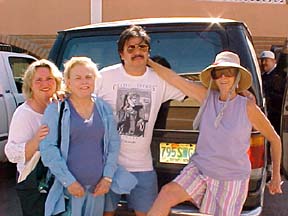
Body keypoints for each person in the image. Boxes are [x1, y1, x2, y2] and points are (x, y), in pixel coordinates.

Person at [146, 51, 282, 216]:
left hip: (231, 179)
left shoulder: (247, 107)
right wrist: (149, 62)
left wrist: (275, 176)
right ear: (213, 77)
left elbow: (275, 139)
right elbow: (175, 79)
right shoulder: (207, 97)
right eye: (218, 73)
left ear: (237, 75)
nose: (223, 77)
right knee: (167, 193)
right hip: (200, 169)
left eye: (229, 72)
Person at [94, 25, 186, 216]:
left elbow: (192, 90)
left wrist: (233, 91)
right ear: (121, 54)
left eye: (142, 47)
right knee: (105, 213)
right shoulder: (104, 77)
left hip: (142, 167)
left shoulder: (159, 80)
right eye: (131, 48)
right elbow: (78, 94)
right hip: (108, 166)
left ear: (148, 52)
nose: (137, 52)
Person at [40, 57, 137, 216]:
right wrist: (69, 182)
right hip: (68, 191)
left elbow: (113, 143)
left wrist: (107, 178)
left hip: (96, 191)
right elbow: (48, 148)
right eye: (77, 78)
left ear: (95, 80)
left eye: (88, 77)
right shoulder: (56, 108)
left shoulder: (103, 108)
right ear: (68, 82)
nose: (84, 82)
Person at [4, 59, 63, 216]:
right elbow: (11, 153)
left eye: (49, 78)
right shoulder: (24, 114)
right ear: (30, 84)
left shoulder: (62, 107)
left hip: (59, 180)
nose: (45, 83)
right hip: (34, 183)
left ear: (57, 82)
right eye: (38, 80)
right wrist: (36, 140)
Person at [260, 50, 287, 134]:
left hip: (277, 114)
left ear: (273, 61)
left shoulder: (280, 76)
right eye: (262, 60)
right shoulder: (263, 76)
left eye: (266, 60)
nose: (264, 63)